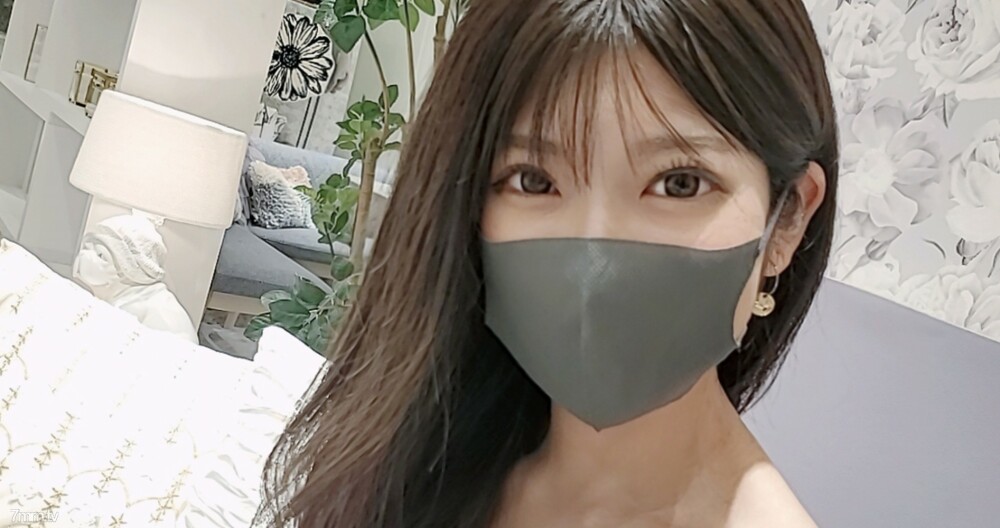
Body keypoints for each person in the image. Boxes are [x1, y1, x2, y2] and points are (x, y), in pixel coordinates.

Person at [256, 0, 838, 526]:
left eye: (679, 183)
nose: (596, 261)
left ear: (788, 219)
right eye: (533, 180)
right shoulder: (403, 470)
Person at [73, 213, 199, 344]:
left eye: (101, 256)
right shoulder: (117, 299)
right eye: (86, 247)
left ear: (129, 270)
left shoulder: (149, 309)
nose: (86, 255)